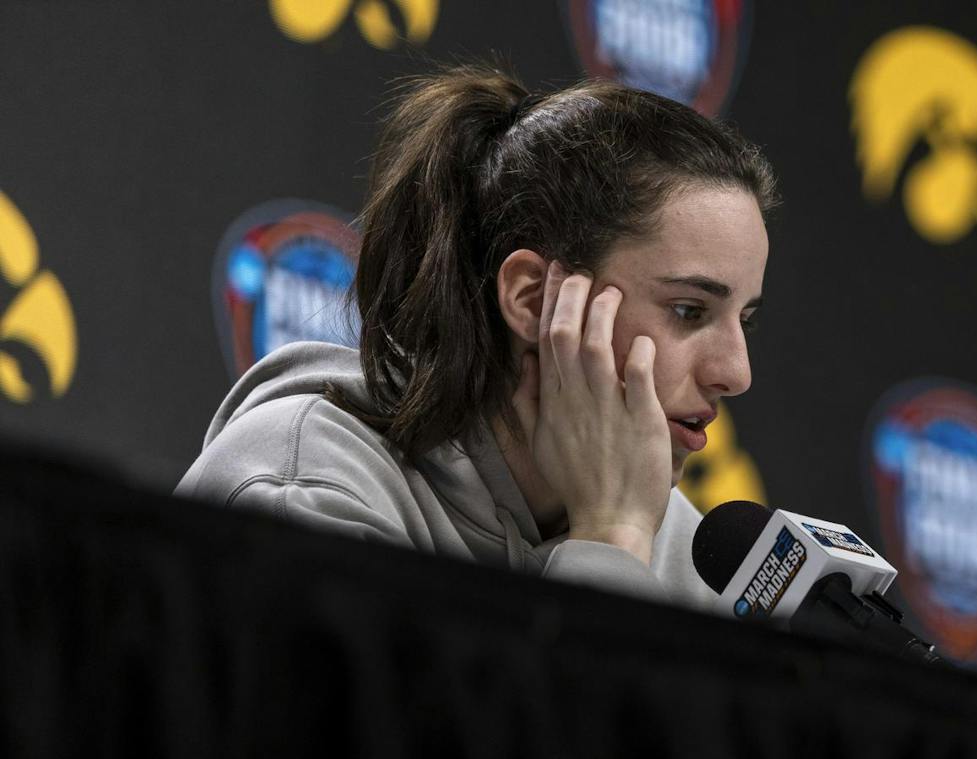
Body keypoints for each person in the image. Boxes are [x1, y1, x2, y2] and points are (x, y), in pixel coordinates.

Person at [177, 63, 776, 610]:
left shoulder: (673, 539)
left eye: (743, 320)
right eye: (689, 310)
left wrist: (617, 528)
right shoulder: (300, 486)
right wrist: (610, 539)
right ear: (533, 299)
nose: (736, 373)